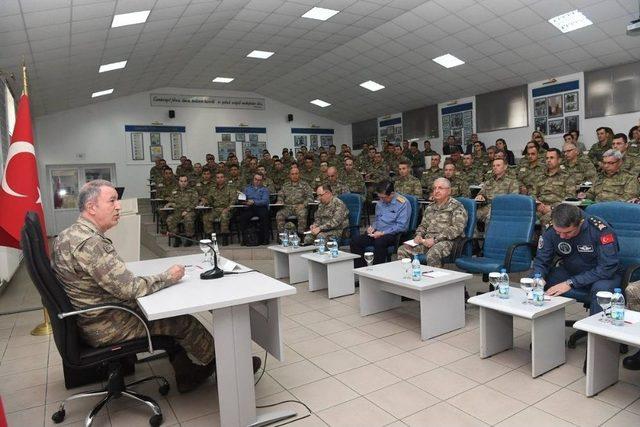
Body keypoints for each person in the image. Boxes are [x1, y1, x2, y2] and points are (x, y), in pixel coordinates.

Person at [52, 180, 226, 394]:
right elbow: (130, 289)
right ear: (91, 207)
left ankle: (186, 372)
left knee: (164, 311)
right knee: (183, 320)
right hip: (107, 324)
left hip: (90, 319)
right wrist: (168, 276)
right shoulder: (91, 243)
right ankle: (226, 367)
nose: (119, 206)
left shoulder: (67, 235)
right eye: (112, 201)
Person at [533, 204, 622, 316]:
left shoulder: (600, 230)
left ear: (580, 222)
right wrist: (538, 277)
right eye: (558, 232)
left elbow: (607, 268)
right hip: (572, 270)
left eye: (568, 232)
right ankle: (548, 326)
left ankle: (596, 331)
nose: (562, 237)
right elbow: (541, 260)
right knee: (542, 282)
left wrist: (571, 283)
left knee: (601, 291)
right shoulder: (551, 229)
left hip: (602, 275)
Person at [397, 178, 467, 266]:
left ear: (449, 191)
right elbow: (423, 225)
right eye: (434, 188)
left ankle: (435, 279)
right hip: (426, 241)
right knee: (403, 249)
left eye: (440, 188)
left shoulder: (457, 207)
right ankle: (407, 276)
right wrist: (418, 235)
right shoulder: (430, 207)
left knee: (433, 253)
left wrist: (435, 240)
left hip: (448, 242)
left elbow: (457, 229)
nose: (436, 191)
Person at [350, 180, 411, 267]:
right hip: (377, 232)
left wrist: (383, 233)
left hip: (393, 234)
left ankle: (377, 271)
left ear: (392, 194)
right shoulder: (380, 202)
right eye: (380, 197)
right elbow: (377, 219)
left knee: (379, 242)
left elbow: (402, 226)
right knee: (355, 241)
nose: (381, 200)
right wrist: (372, 227)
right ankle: (361, 270)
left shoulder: (402, 203)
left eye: (384, 197)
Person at [531, 149, 575, 227]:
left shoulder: (567, 177)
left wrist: (552, 208)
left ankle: (545, 239)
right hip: (539, 208)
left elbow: (570, 197)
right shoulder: (539, 177)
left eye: (551, 158)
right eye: (547, 158)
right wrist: (538, 204)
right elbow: (532, 194)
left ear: (559, 160)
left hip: (558, 210)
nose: (548, 160)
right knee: (524, 217)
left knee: (546, 219)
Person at [475, 158, 519, 222]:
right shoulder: (489, 182)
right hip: (486, 208)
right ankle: (474, 232)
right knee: (470, 215)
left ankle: (491, 232)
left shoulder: (512, 182)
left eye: (498, 165)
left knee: (490, 216)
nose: (495, 167)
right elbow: (481, 194)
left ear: (505, 167)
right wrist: (480, 196)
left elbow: (514, 199)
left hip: (502, 209)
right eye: (494, 166)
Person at [276, 168, 313, 235]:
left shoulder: (305, 185)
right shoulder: (285, 185)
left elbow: (310, 197)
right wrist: (280, 201)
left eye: (296, 174)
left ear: (299, 174)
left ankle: (301, 236)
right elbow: (280, 195)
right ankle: (282, 236)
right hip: (287, 207)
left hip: (300, 207)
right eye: (292, 174)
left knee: (303, 214)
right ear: (290, 175)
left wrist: (304, 204)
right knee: (279, 214)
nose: (294, 176)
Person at [165, 175, 199, 247]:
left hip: (190, 211)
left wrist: (187, 210)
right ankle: (177, 238)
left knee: (188, 218)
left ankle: (189, 238)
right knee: (170, 219)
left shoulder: (192, 191)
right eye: (181, 181)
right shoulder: (175, 191)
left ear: (187, 182)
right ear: (178, 182)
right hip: (178, 211)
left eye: (185, 181)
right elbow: (171, 200)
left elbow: (195, 202)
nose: (183, 183)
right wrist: (170, 203)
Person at [202, 171, 236, 244]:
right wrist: (205, 201)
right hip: (215, 209)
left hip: (227, 209)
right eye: (218, 178)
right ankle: (210, 236)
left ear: (224, 178)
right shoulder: (212, 189)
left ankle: (224, 237)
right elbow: (209, 200)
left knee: (224, 216)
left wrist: (228, 209)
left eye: (221, 177)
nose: (220, 179)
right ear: (215, 179)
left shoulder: (230, 188)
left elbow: (234, 200)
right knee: (206, 217)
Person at [239, 173, 270, 245]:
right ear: (253, 179)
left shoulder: (264, 189)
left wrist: (254, 202)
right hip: (250, 207)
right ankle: (245, 239)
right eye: (256, 179)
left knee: (264, 216)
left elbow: (265, 201)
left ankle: (265, 239)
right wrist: (244, 201)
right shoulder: (247, 188)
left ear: (262, 181)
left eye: (259, 180)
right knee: (243, 217)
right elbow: (243, 199)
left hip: (260, 207)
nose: (257, 181)